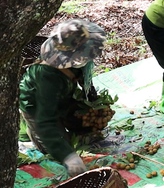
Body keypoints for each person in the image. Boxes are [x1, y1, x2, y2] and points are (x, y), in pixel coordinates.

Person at [19, 19, 106, 177]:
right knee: (57, 144)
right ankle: (27, 129)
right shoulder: (47, 76)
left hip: (63, 94)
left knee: (83, 122)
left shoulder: (80, 56)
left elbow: (84, 75)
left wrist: (92, 98)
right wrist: (68, 156)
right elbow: (45, 120)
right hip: (36, 104)